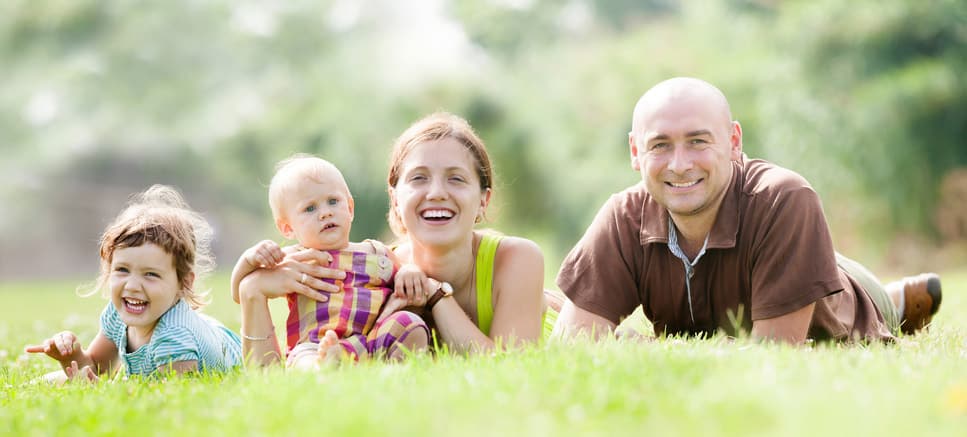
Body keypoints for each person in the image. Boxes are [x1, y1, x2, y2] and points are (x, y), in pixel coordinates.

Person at [554, 77, 942, 344]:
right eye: (660, 145)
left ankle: (891, 303)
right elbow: (573, 342)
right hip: (777, 258)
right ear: (636, 152)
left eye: (698, 141)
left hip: (847, 292)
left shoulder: (785, 197)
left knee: (858, 300)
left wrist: (642, 350)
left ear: (734, 141)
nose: (679, 163)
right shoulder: (623, 215)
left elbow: (773, 355)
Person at [25, 185, 242, 382]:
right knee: (49, 382)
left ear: (183, 283)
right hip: (206, 331)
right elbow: (97, 369)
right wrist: (72, 357)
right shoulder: (118, 314)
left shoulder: (175, 339)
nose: (132, 286)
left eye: (150, 274)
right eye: (122, 270)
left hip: (236, 356)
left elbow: (168, 402)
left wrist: (98, 393)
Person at [231, 154, 430, 367]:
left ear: (350, 208)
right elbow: (240, 293)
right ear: (287, 228)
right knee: (302, 361)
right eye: (310, 208)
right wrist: (248, 261)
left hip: (370, 341)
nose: (325, 213)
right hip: (315, 345)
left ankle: (396, 373)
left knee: (411, 325)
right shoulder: (295, 258)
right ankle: (323, 368)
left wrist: (409, 271)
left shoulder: (376, 252)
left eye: (333, 201)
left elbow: (401, 276)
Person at [385, 112, 551, 353]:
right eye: (419, 178)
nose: (436, 193)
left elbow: (510, 368)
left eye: (456, 179)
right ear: (395, 199)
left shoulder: (519, 258)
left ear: (484, 200)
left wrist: (436, 295)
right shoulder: (378, 269)